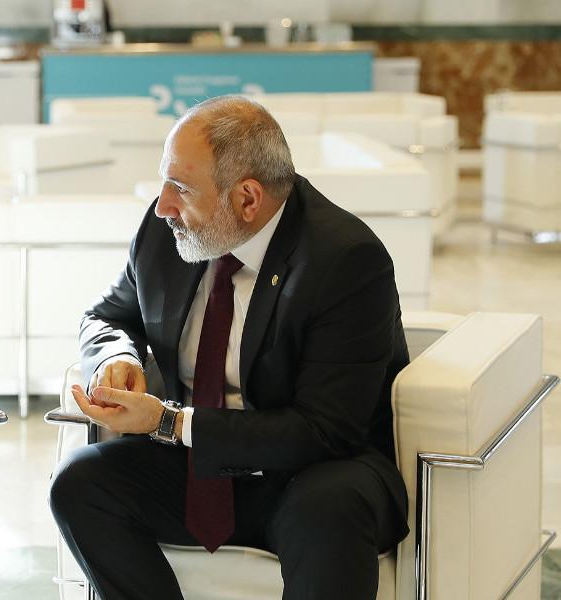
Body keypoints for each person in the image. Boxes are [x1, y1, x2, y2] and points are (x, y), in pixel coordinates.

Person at [49, 95, 410, 600]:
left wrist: (168, 422)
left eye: (180, 188)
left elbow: (326, 430)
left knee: (328, 505)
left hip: (312, 470)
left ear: (247, 199)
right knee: (79, 483)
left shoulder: (346, 260)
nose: (163, 205)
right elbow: (107, 316)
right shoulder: (165, 232)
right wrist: (117, 357)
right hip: (198, 466)